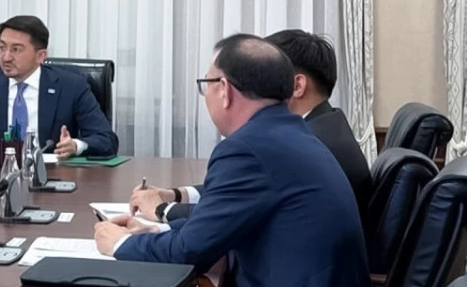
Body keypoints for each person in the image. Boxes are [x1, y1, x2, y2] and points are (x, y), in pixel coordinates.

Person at [94, 34, 374, 287]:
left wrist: (118, 243)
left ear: (224, 90)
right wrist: (158, 230)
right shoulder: (288, 133)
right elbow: (218, 226)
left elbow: (188, 252)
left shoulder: (248, 148)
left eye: (206, 84)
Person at [131, 29, 372, 222]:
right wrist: (177, 195)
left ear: (297, 86)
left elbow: (228, 213)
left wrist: (162, 209)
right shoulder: (325, 126)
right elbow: (241, 191)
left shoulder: (313, 144)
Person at [0, 15, 118, 157]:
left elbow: (106, 140)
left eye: (16, 49)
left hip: (52, 177)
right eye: (2, 47)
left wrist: (75, 146)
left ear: (40, 56)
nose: (6, 57)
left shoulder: (71, 87)